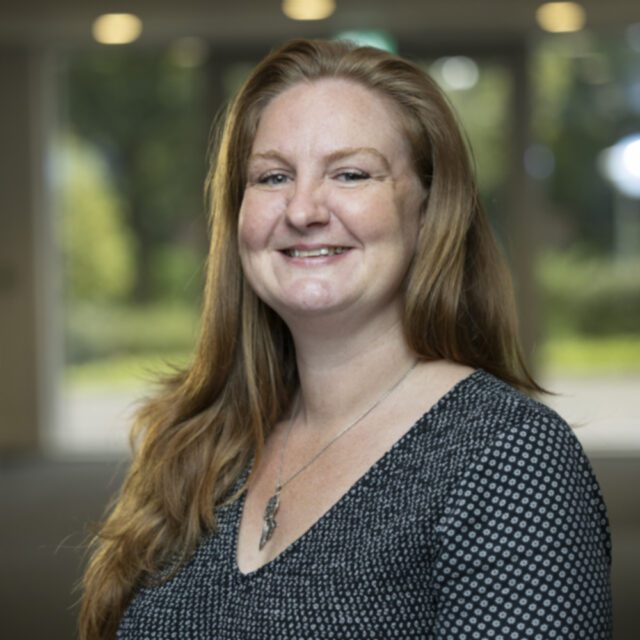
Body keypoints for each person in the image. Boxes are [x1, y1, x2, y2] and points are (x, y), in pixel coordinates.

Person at [79, 38, 612, 639]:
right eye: (273, 176)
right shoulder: (195, 442)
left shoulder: (507, 458)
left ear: (427, 210)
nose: (303, 209)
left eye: (351, 173)